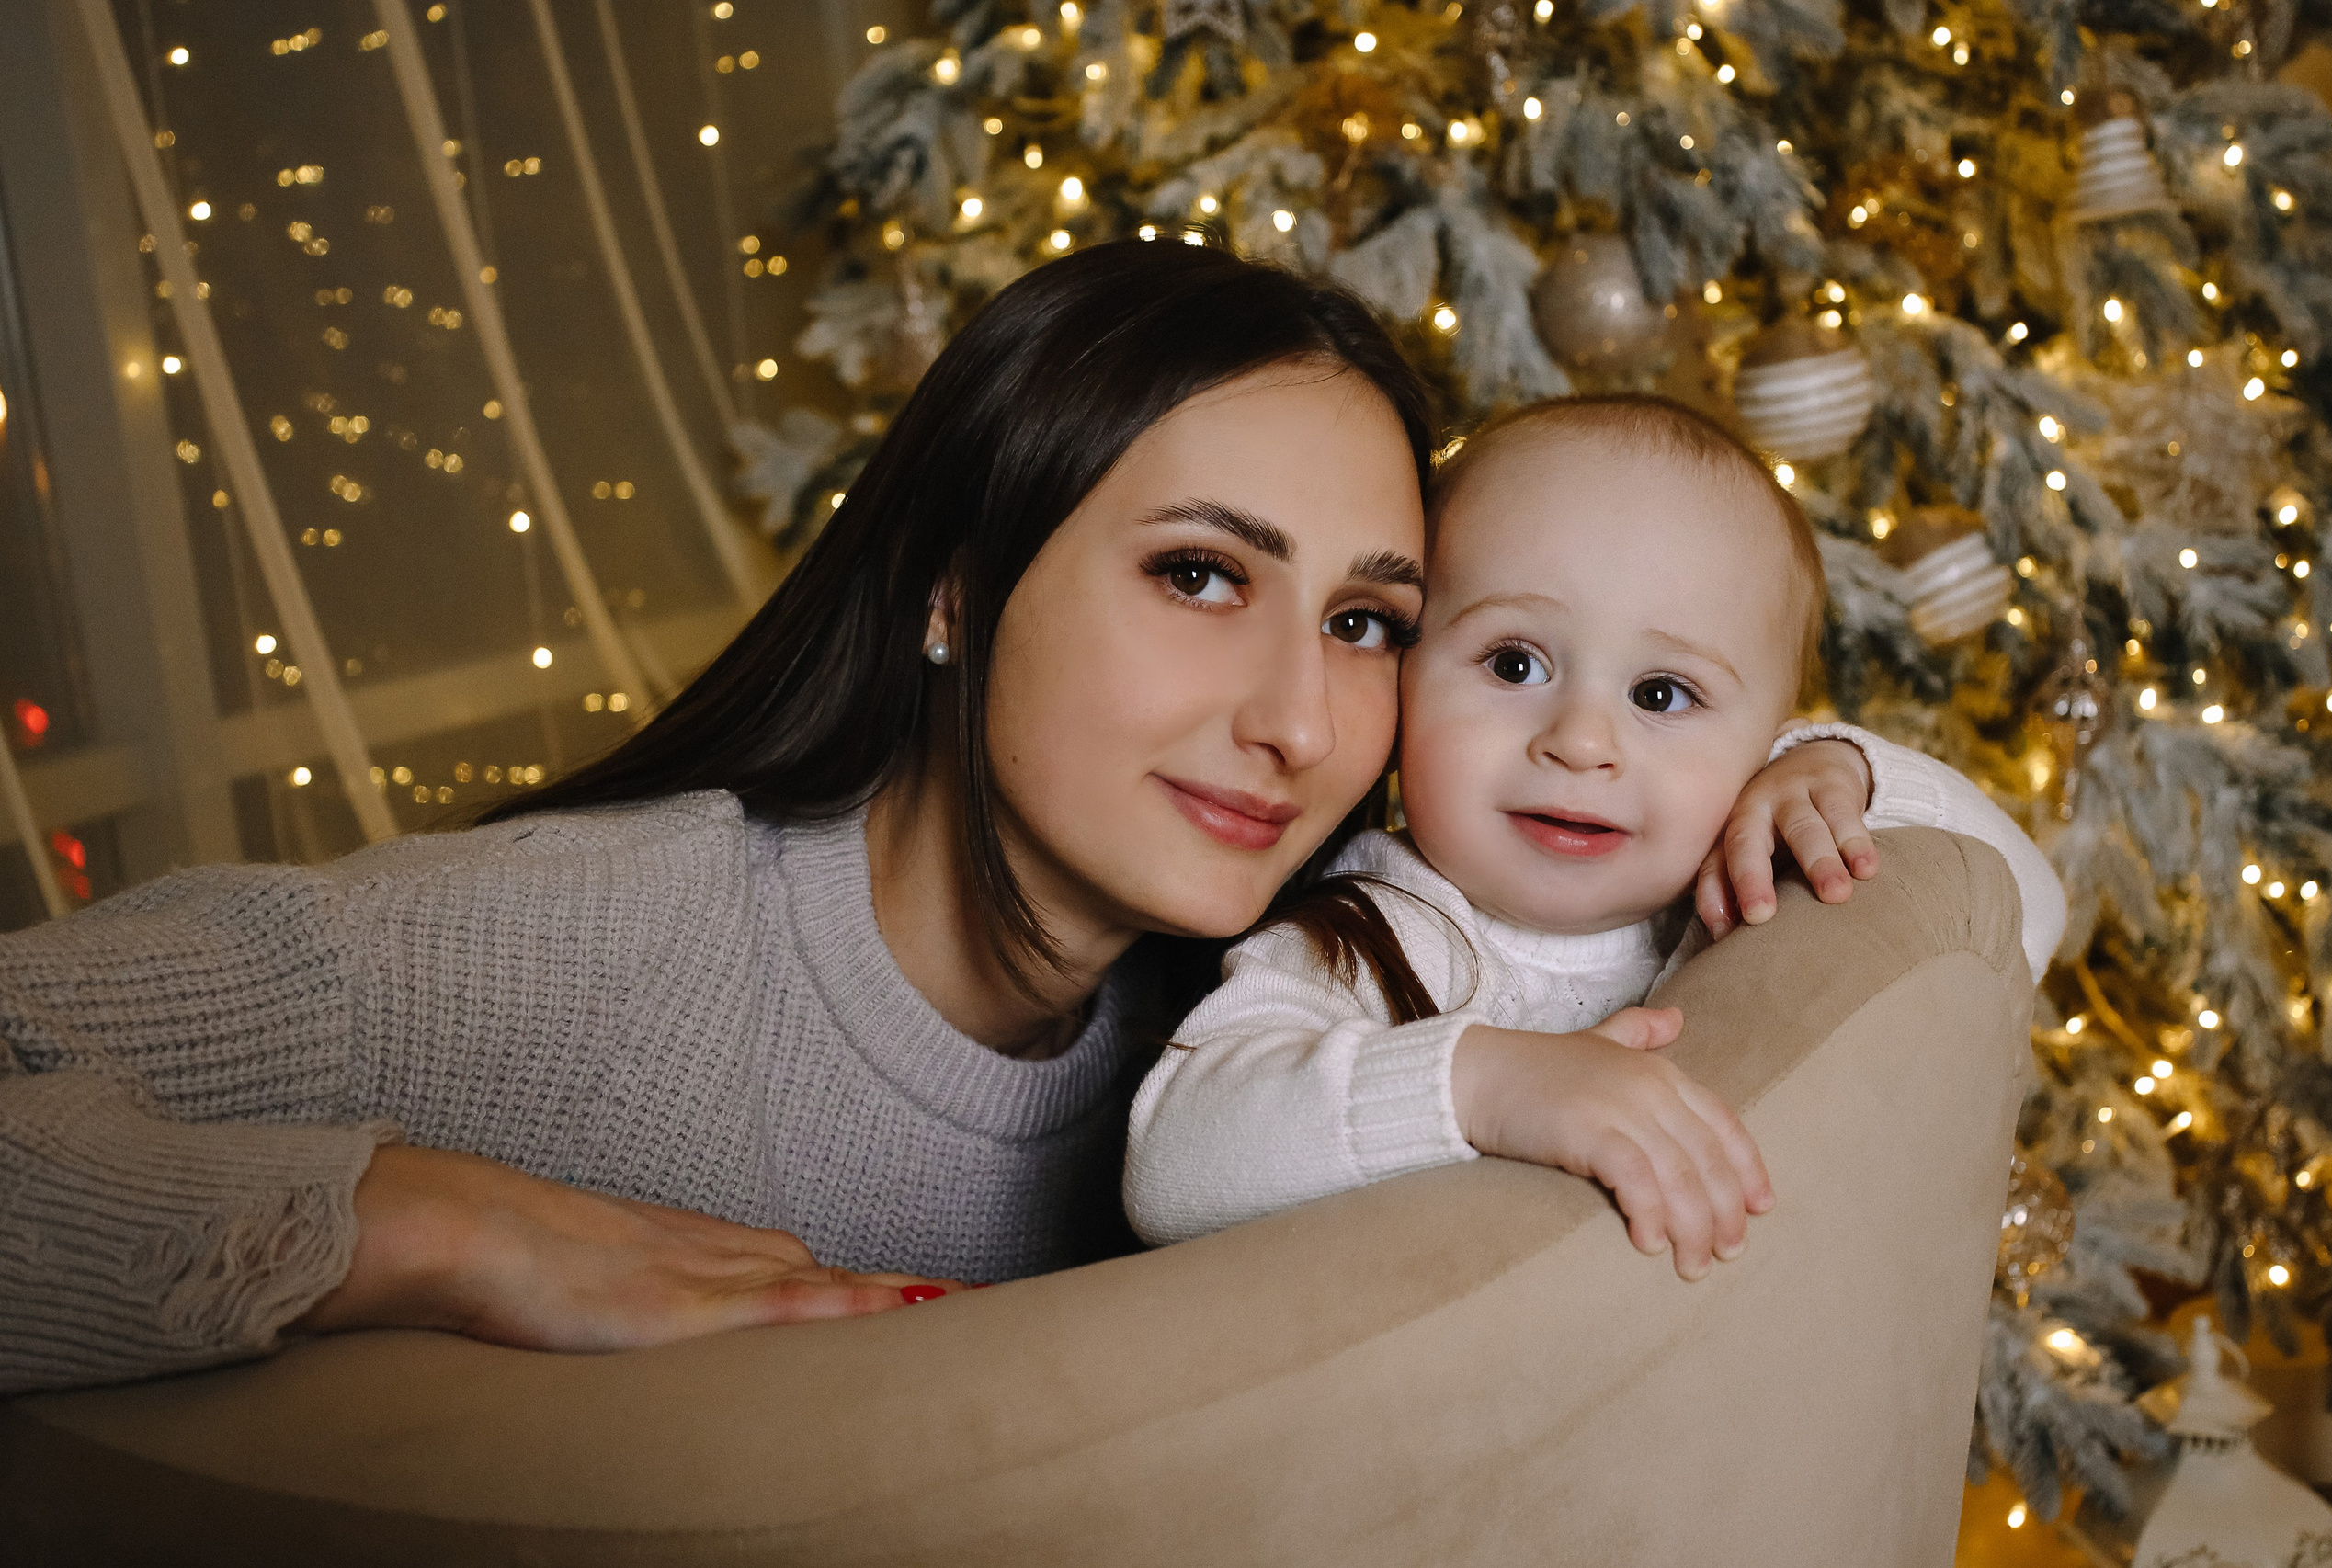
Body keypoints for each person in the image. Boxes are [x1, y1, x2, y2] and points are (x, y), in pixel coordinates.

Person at [0, 241, 1443, 1396]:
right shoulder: (580, 944)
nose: (1302, 723)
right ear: (952, 588)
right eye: (1200, 575)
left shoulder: (1297, 1015)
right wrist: (421, 1225)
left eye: (1368, 622)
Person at [1124, 395, 2067, 1282]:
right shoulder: (1372, 929)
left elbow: (2013, 916)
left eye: (1662, 694)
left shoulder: (1744, 893)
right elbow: (1170, 1167)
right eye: (1513, 662)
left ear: (1764, 733)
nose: (1578, 741)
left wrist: (1839, 768)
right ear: (1407, 671)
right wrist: (1486, 1085)